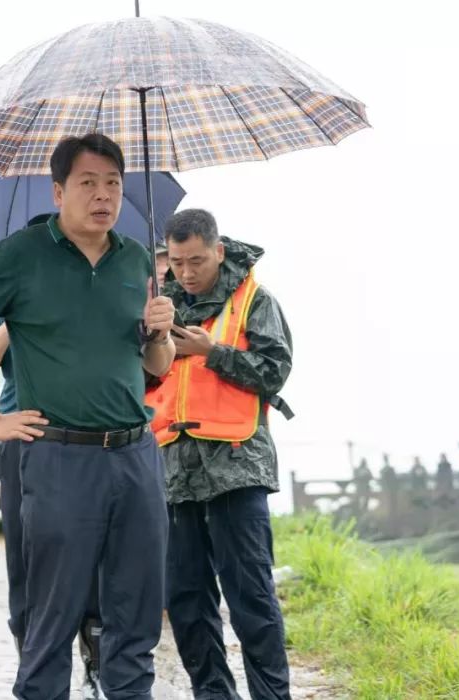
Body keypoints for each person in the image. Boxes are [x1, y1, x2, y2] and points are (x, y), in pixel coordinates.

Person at [0, 133, 175, 700]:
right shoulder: (20, 255)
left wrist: (159, 332)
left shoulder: (136, 257)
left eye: (113, 184)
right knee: (49, 617)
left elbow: (155, 365)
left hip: (136, 455)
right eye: (88, 183)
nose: (103, 196)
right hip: (60, 457)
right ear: (59, 189)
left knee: (136, 613)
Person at [147, 208, 294, 700]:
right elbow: (136, 383)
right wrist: (155, 345)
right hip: (171, 470)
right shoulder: (157, 308)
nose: (187, 273)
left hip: (237, 468)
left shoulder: (255, 300)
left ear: (219, 251)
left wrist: (213, 353)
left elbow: (273, 373)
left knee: (250, 597)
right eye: (178, 263)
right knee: (186, 601)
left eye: (197, 261)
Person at [0, 217, 103, 699]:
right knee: (28, 559)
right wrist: (14, 315)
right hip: (24, 439)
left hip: (88, 442)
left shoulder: (92, 288)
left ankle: (98, 658)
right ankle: (37, 669)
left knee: (95, 556)